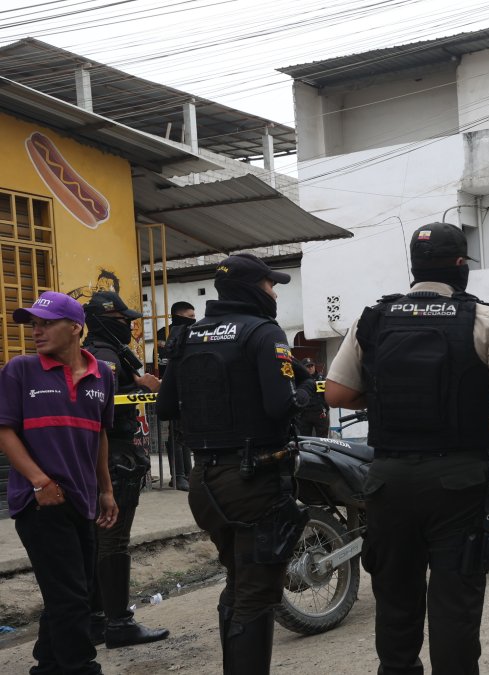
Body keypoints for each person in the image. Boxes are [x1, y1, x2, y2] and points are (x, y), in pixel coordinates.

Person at [324, 222, 489, 675]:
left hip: (390, 482)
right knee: (454, 605)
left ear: (414, 266)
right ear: (460, 265)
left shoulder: (373, 317)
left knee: (395, 602)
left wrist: (383, 395)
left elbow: (337, 394)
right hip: (458, 483)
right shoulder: (484, 318)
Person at [157, 254, 315, 674]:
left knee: (239, 582)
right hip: (254, 480)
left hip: (204, 481)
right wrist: (306, 394)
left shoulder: (188, 335)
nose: (274, 293)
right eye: (270, 285)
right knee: (256, 594)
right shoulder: (263, 332)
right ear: (251, 288)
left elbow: (165, 407)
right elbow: (280, 405)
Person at [0, 291, 119, 675]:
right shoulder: (20, 370)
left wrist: (106, 490)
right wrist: (39, 482)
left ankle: (48, 667)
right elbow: (4, 431)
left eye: (46, 323)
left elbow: (100, 434)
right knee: (71, 597)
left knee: (73, 590)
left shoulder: (103, 375)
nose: (37, 331)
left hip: (82, 499)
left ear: (75, 328)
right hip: (39, 501)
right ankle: (81, 668)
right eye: (34, 324)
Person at [82, 292, 171, 649]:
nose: (130, 327)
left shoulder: (99, 351)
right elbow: (102, 403)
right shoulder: (104, 355)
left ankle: (96, 620)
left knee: (98, 540)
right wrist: (140, 386)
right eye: (124, 321)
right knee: (113, 541)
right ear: (105, 321)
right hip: (114, 457)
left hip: (107, 457)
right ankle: (118, 622)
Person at [156, 301, 196, 489]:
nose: (194, 319)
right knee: (176, 434)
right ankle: (178, 475)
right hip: (172, 388)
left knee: (186, 433)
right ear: (179, 315)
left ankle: (188, 474)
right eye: (190, 316)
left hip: (189, 388)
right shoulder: (164, 334)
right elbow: (163, 362)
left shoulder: (192, 331)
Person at [296, 358, 330, 437]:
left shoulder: (320, 378)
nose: (310, 368)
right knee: (305, 438)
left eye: (312, 366)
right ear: (303, 368)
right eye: (308, 366)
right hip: (304, 413)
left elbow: (324, 395)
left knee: (322, 438)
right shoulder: (299, 379)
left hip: (319, 413)